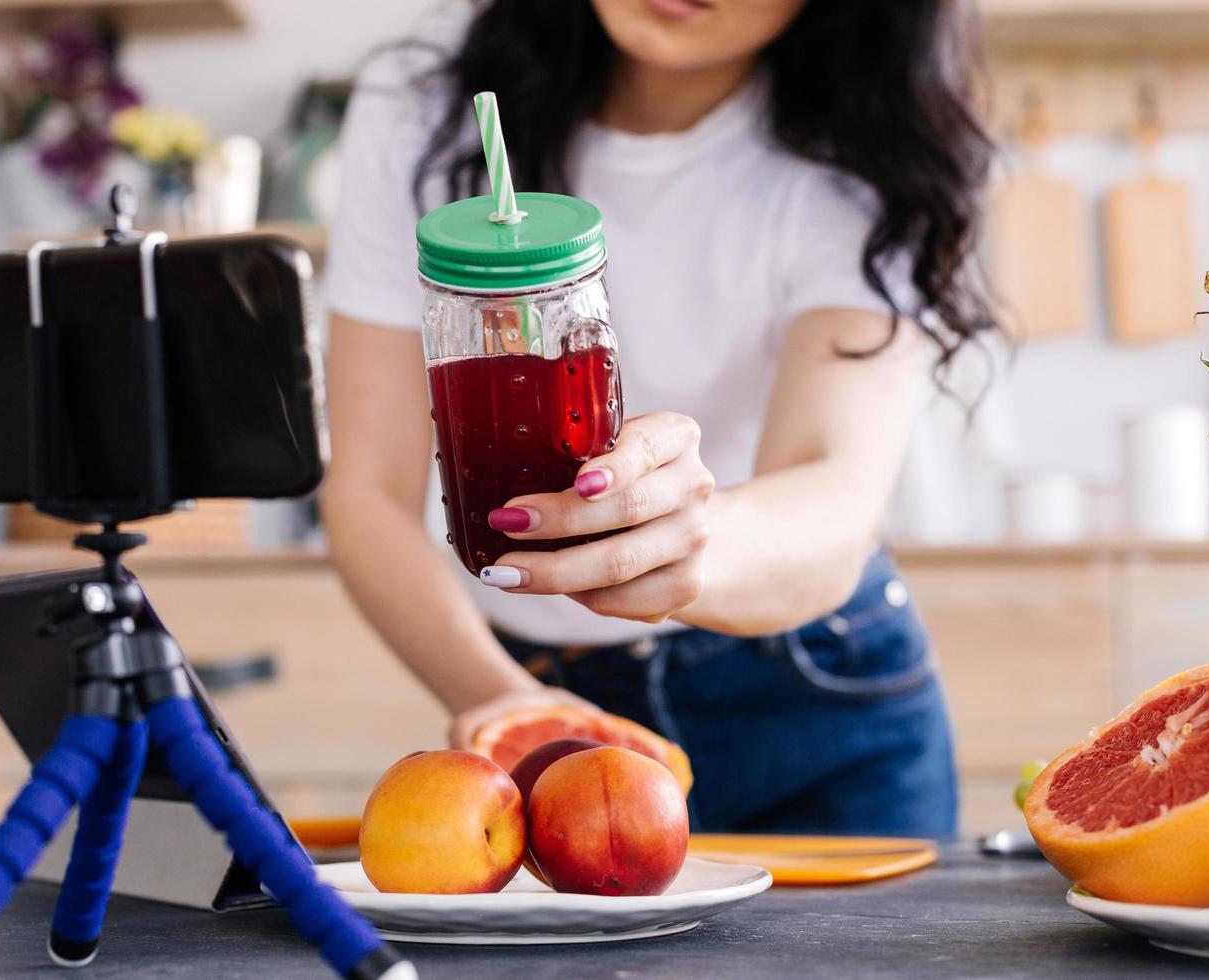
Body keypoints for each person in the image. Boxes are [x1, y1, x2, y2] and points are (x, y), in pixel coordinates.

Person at [321, 0, 993, 837]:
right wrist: (502, 700)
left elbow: (836, 487)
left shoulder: (878, 150)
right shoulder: (425, 104)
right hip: (524, 669)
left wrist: (683, 540)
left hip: (821, 704)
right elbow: (365, 492)